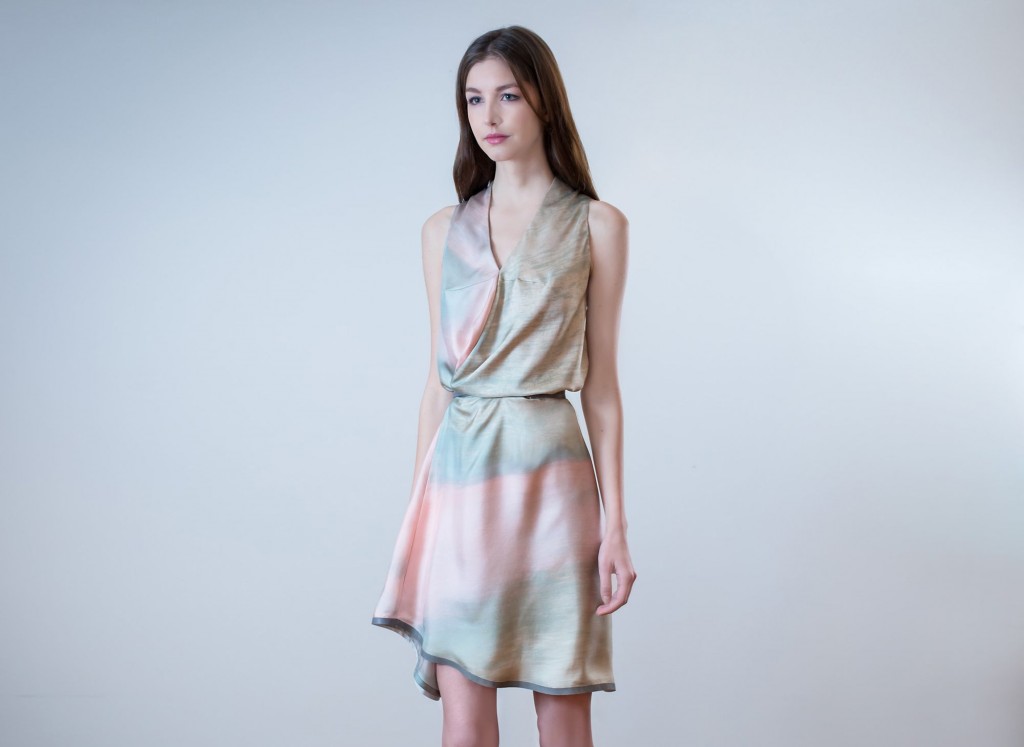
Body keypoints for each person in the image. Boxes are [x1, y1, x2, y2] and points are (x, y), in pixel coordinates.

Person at [371, 25, 636, 747]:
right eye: (473, 99)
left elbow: (602, 389)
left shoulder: (598, 225)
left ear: (545, 100)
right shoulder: (442, 229)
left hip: (555, 483)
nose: (488, 116)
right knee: (464, 722)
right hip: (460, 484)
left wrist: (616, 525)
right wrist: (418, 510)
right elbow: (437, 384)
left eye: (509, 96)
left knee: (564, 714)